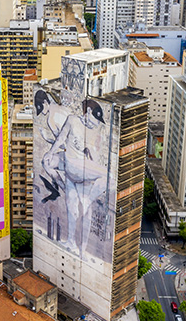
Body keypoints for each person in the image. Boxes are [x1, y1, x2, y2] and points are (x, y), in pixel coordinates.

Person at [42, 99, 108, 256]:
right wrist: (51, 152)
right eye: (95, 120)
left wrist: (90, 153)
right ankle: (71, 242)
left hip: (83, 174)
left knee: (87, 212)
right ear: (89, 112)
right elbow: (61, 139)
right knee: (71, 209)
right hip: (69, 171)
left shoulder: (94, 133)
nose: (95, 124)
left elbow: (92, 158)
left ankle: (82, 250)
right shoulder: (72, 120)